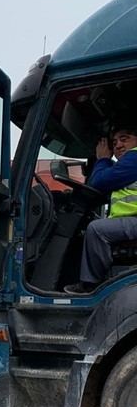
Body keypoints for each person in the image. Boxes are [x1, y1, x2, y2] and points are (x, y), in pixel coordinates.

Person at [65, 126, 137, 295]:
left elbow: (98, 183)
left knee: (97, 230)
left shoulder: (134, 157)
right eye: (114, 142)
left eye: (124, 139)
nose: (118, 145)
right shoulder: (127, 164)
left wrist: (103, 159)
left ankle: (91, 285)